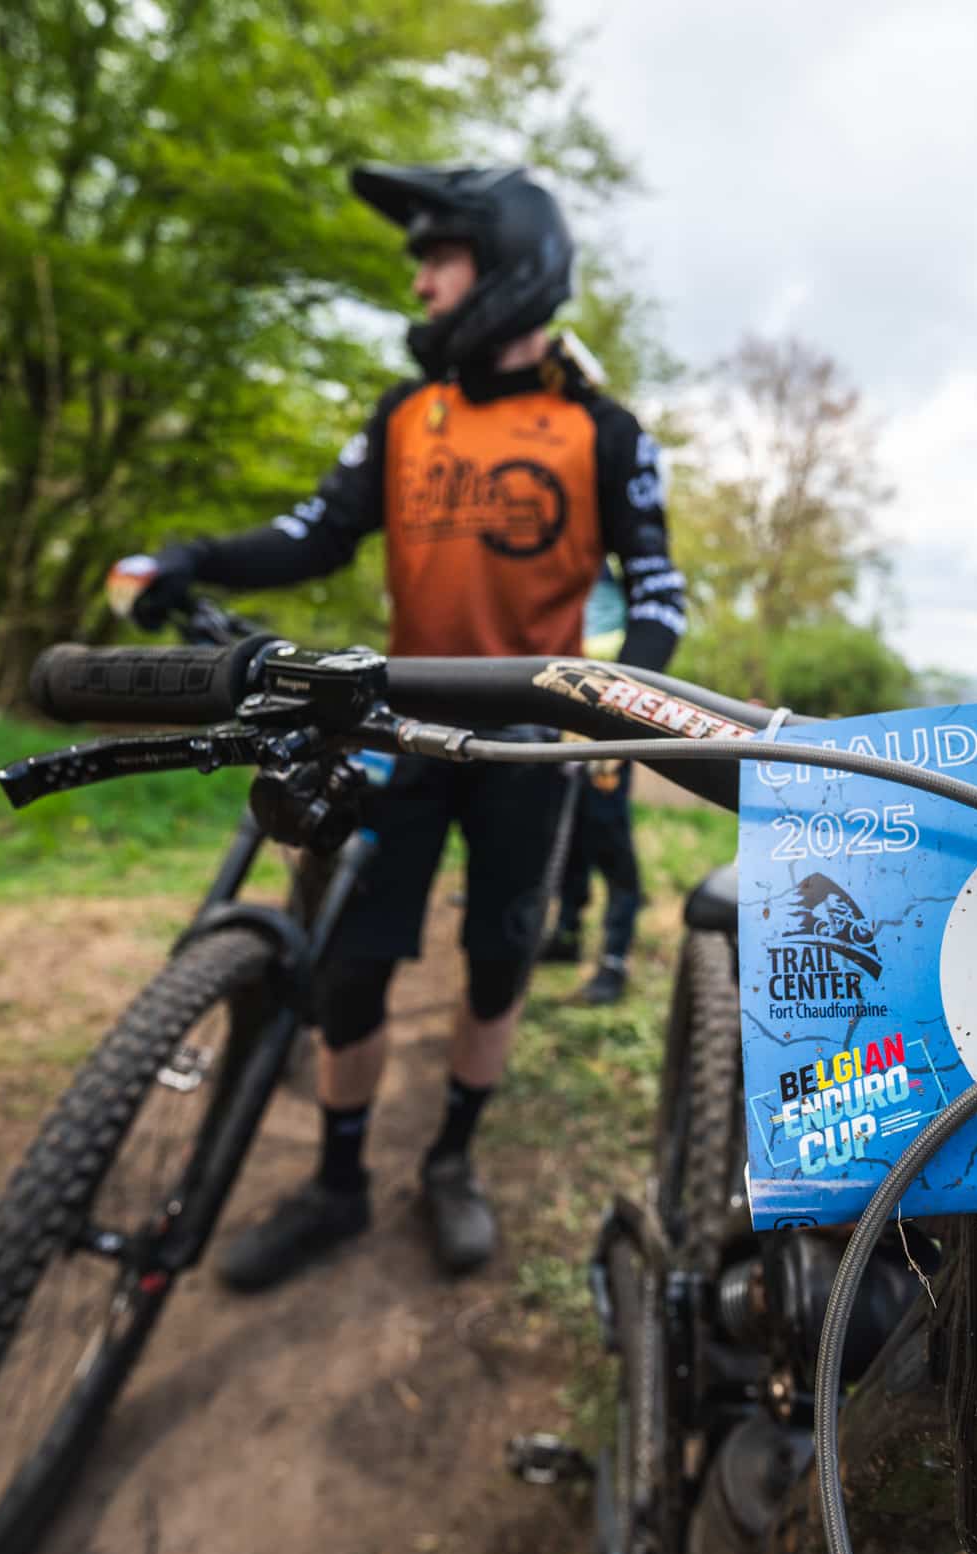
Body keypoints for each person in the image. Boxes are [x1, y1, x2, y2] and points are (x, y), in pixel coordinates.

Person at [124, 164, 688, 1289]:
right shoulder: (405, 416)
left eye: (440, 258)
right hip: (395, 725)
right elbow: (315, 535)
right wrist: (190, 557)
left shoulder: (605, 431)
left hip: (529, 740)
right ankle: (337, 1183)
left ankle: (450, 1161)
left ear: (510, 263)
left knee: (496, 966)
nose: (422, 283)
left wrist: (615, 711)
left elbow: (660, 593)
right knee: (352, 967)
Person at [540, 565, 647, 1005]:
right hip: (560, 750)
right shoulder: (557, 576)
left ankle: (614, 961)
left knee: (613, 853)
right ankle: (566, 934)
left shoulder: (621, 585)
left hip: (607, 752)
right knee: (570, 846)